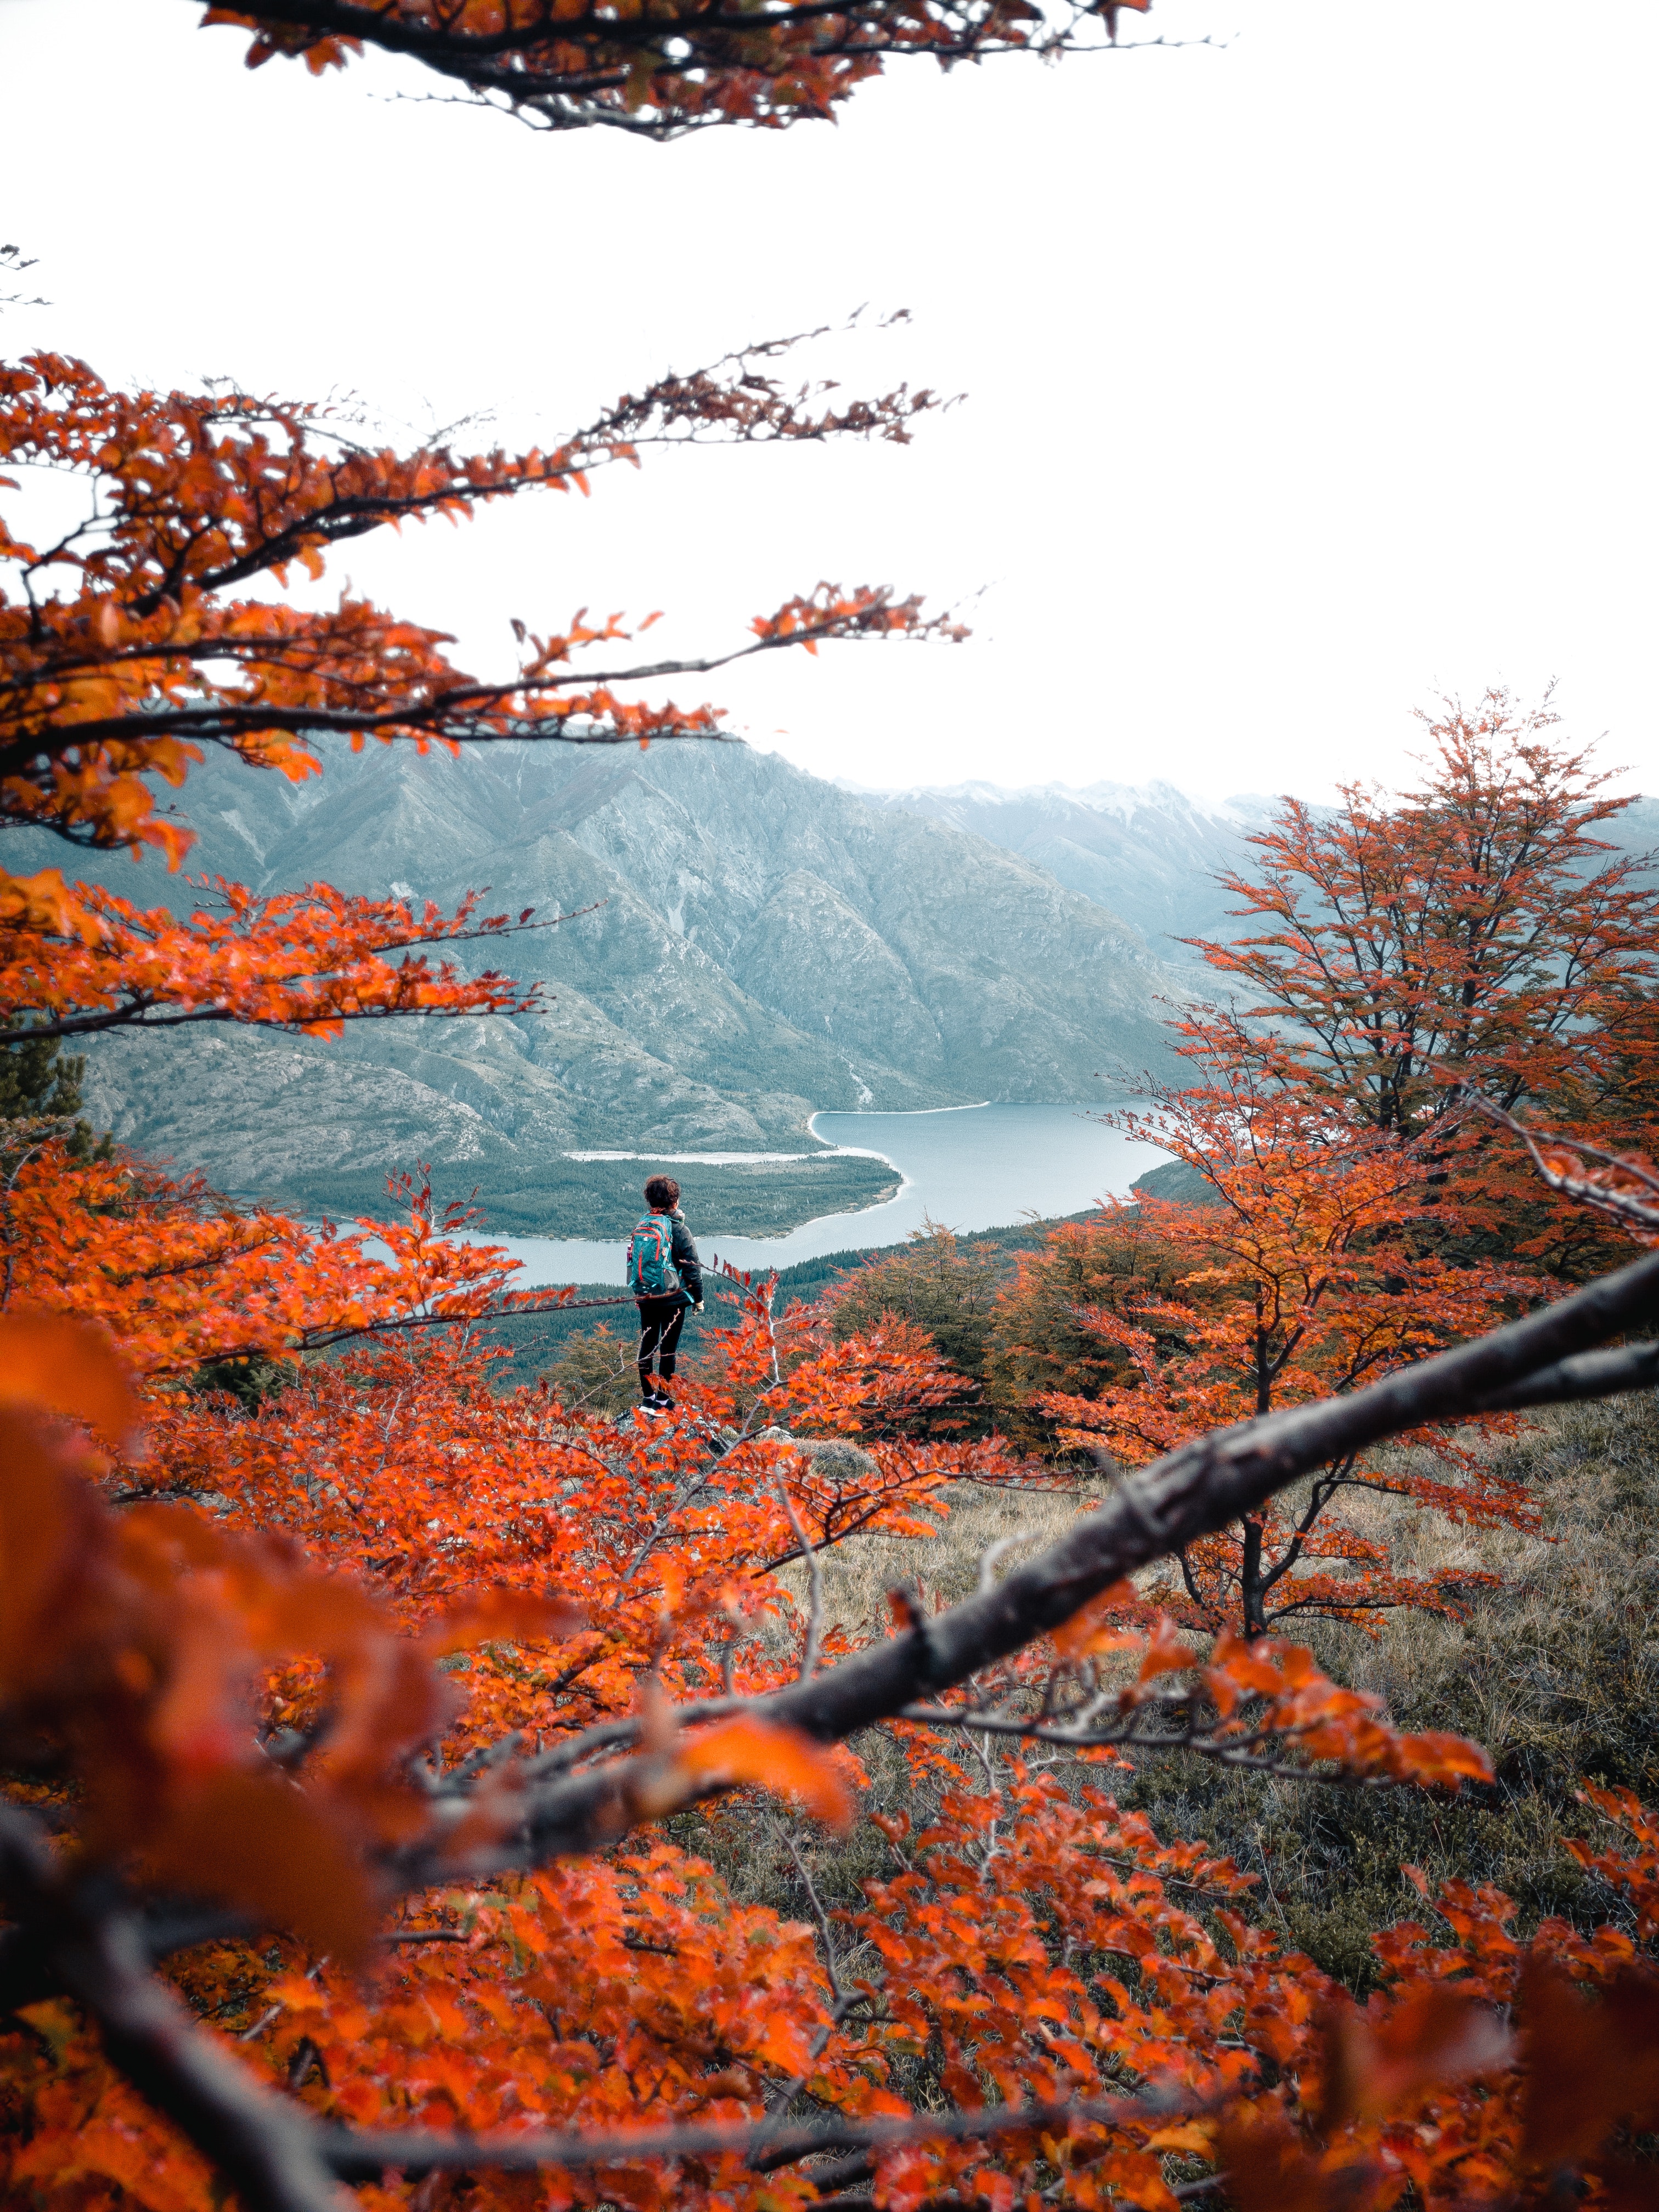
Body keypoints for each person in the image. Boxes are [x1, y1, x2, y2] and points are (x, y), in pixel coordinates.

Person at [628, 1173, 703, 1414]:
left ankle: (647, 1399)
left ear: (650, 1200)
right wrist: (698, 1299)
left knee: (647, 1346)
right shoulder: (679, 1229)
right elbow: (693, 1269)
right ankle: (662, 1402)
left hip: (647, 1296)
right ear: (675, 1201)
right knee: (667, 1350)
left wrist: (640, 1292)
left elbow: (634, 1262)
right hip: (673, 1299)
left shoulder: (642, 1225)